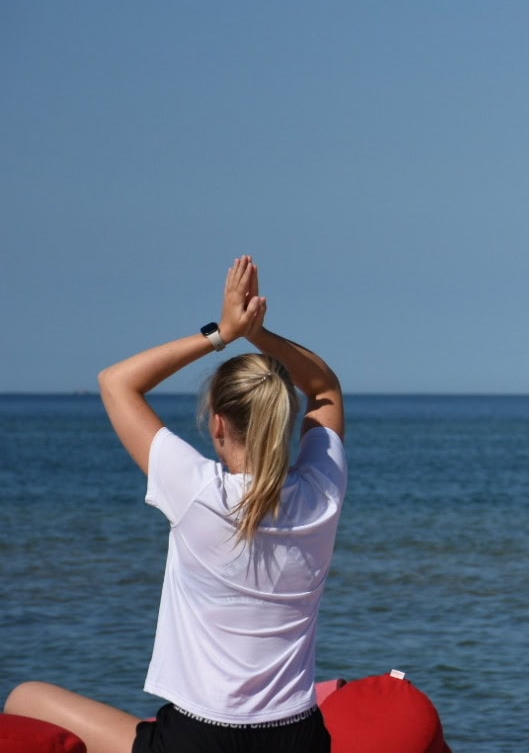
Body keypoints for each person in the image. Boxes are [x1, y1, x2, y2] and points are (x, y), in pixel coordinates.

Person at [5, 256, 347, 753]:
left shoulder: (196, 492)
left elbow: (116, 381)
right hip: (297, 736)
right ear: (283, 421)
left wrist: (223, 332)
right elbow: (324, 387)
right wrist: (260, 336)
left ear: (217, 424)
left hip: (199, 740)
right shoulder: (322, 495)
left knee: (25, 696)